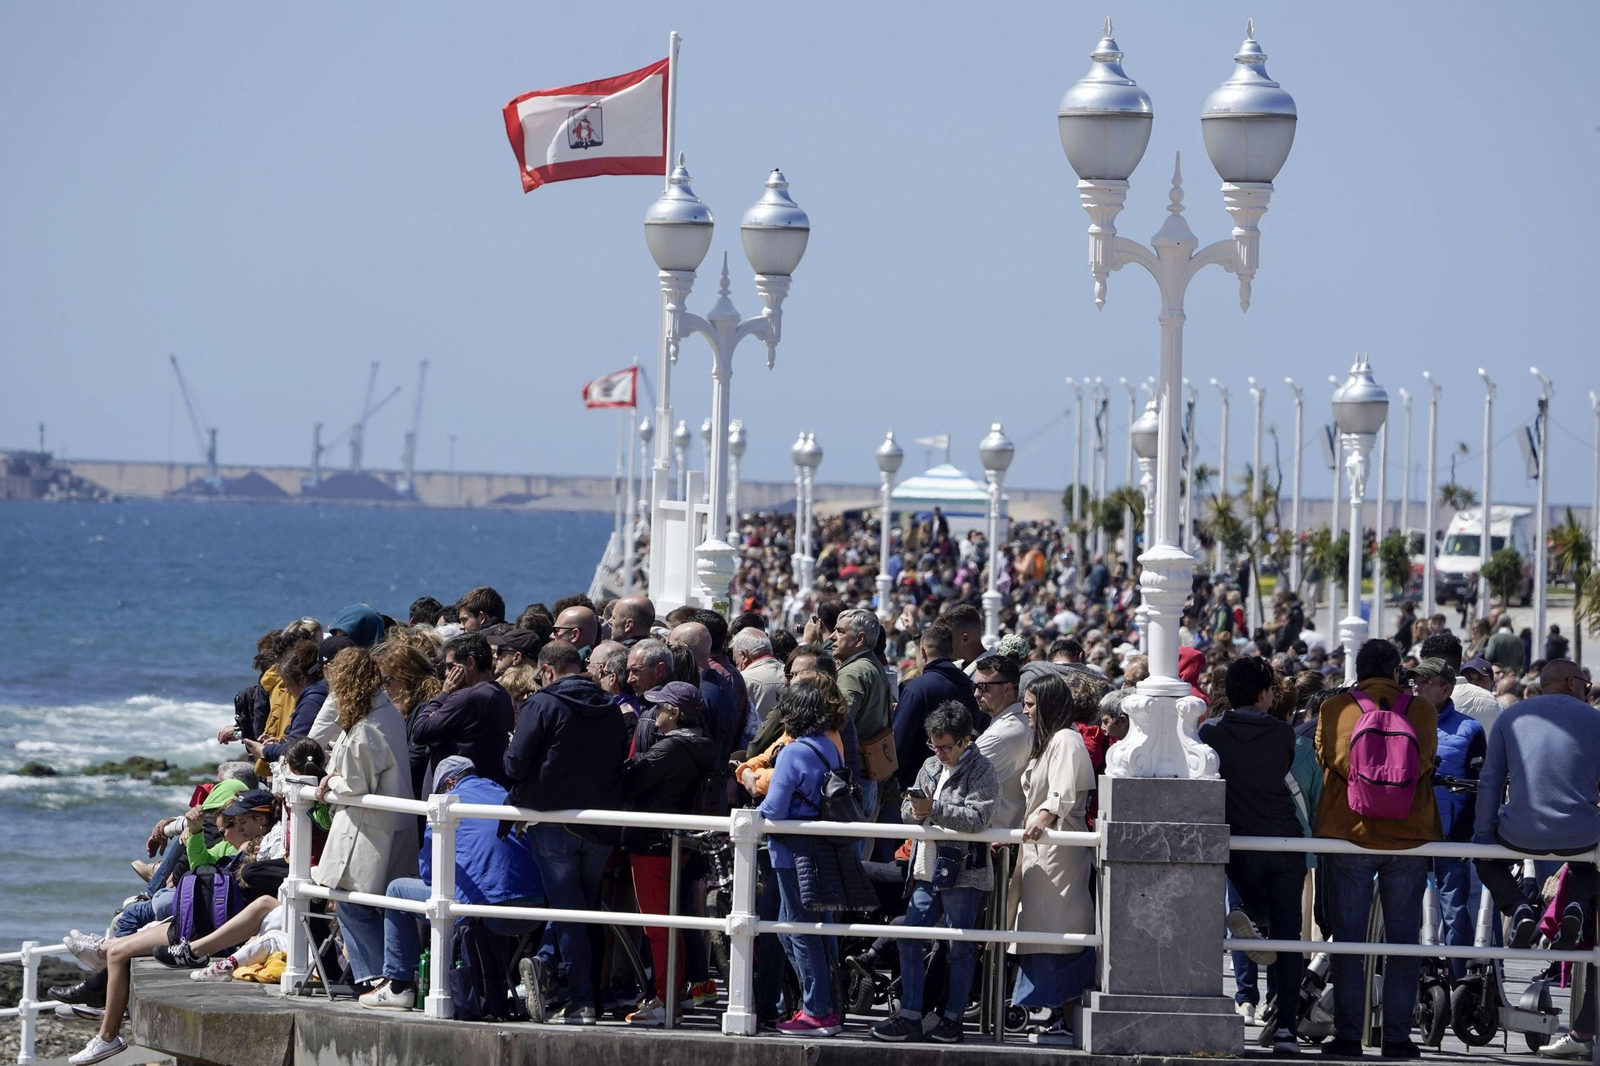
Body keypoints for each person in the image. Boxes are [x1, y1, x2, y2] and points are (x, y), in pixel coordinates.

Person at [68, 789, 278, 1065]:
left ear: (260, 820)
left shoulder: (263, 849)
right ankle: (105, 1005)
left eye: (241, 822)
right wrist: (194, 832)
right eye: (233, 822)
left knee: (118, 953)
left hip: (206, 927)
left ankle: (107, 1034)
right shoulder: (244, 846)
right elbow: (202, 865)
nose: (235, 828)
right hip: (197, 921)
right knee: (117, 952)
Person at [1313, 639, 1440, 1059]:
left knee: (1348, 940)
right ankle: (1398, 1039)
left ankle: (1349, 1035)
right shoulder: (1421, 710)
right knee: (1403, 941)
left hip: (1350, 831)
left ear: (1359, 667)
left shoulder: (1335, 708)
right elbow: (1424, 762)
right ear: (1397, 670)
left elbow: (1327, 758)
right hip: (1409, 835)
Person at [1470, 660, 1600, 1059]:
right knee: (1587, 862)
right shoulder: (1595, 720)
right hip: (1582, 832)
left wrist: (1482, 836)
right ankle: (1575, 905)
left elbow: (1491, 780)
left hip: (1518, 833)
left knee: (1484, 860)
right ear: (1572, 682)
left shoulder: (1513, 716)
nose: (1588, 690)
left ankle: (1520, 908)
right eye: (1586, 683)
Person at [352, 756, 543, 1011]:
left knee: (396, 890)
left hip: (484, 911)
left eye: (439, 790)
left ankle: (398, 987)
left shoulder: (447, 804)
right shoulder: (501, 793)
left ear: (449, 784)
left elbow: (431, 876)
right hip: (534, 910)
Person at [502, 639, 625, 1025]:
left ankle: (581, 1000)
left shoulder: (543, 703)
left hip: (554, 822)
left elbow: (515, 764)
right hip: (600, 825)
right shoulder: (610, 706)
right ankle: (554, 970)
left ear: (549, 671)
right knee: (581, 911)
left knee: (569, 914)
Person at [871, 700, 997, 1044]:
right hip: (926, 868)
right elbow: (906, 811)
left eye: (945, 746)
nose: (938, 752)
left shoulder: (983, 770)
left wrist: (932, 809)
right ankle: (910, 1014)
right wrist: (915, 810)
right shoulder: (928, 764)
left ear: (965, 740)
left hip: (964, 872)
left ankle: (952, 1018)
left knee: (959, 948)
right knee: (910, 935)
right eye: (933, 744)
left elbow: (979, 819)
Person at [1200, 657, 1305, 1057]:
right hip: (1283, 841)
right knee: (1289, 936)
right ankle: (1286, 1032)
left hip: (1237, 842)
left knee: (1249, 907)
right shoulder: (1282, 734)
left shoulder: (1210, 732)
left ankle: (1257, 925)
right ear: (1264, 694)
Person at [307, 650, 419, 988]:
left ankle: (381, 978)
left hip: (368, 830)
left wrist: (331, 780)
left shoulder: (367, 726)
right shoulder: (387, 713)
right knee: (384, 906)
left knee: (354, 904)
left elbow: (356, 785)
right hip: (392, 824)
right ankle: (394, 976)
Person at [1007, 674, 1097, 1046]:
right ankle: (1057, 1014)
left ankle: (1064, 1016)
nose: (1025, 711)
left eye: (1030, 704)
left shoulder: (1065, 739)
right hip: (1040, 854)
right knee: (1042, 931)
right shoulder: (1049, 741)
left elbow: (1061, 795)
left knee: (1058, 934)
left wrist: (1042, 818)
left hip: (1057, 853)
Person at [618, 681, 715, 1026]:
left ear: (674, 713)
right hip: (675, 843)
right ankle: (672, 994)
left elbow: (630, 784)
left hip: (651, 845)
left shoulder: (668, 750)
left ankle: (663, 1000)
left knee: (657, 927)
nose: (654, 712)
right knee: (669, 924)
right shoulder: (701, 743)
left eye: (660, 707)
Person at [757, 684, 849, 1036]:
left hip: (791, 850)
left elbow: (774, 808)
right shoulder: (829, 745)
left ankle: (817, 1010)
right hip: (820, 847)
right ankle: (820, 1004)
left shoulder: (794, 752)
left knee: (797, 930)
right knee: (799, 928)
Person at [1410, 657, 1485, 981]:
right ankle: (1407, 987)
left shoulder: (1471, 730)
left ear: (1446, 688)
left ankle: (1458, 985)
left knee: (1455, 916)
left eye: (1426, 682)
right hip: (1407, 837)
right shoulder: (1403, 723)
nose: (1418, 686)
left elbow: (1478, 789)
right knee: (1402, 916)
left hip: (1450, 840)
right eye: (1416, 680)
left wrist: (1459, 837)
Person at [407, 632, 515, 795]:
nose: (446, 674)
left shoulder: (466, 697)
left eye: (451, 667)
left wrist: (443, 694)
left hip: (454, 799)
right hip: (485, 792)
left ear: (470, 662)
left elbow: (420, 731)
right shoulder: (501, 694)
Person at [892, 624, 982, 790]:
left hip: (919, 786)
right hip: (963, 782)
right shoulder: (970, 687)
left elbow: (899, 743)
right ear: (951, 652)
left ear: (923, 652)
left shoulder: (916, 689)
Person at [832, 608, 893, 818]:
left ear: (860, 639)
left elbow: (837, 723)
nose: (832, 637)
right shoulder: (872, 666)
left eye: (840, 631)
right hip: (867, 776)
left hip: (852, 779)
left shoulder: (852, 672)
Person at [244, 639, 328, 768]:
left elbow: (295, 749)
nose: (287, 690)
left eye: (288, 684)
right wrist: (280, 744)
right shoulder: (324, 691)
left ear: (302, 679)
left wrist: (263, 751)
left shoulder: (311, 703)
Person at [972, 653, 1031, 832]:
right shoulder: (1020, 719)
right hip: (1004, 835)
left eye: (983, 687)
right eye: (975, 686)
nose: (976, 694)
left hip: (996, 839)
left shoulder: (1001, 734)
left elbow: (958, 776)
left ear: (1007, 689)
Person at [732, 627, 785, 745]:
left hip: (753, 753)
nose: (736, 666)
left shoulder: (743, 680)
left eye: (735, 661)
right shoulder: (791, 674)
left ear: (744, 655)